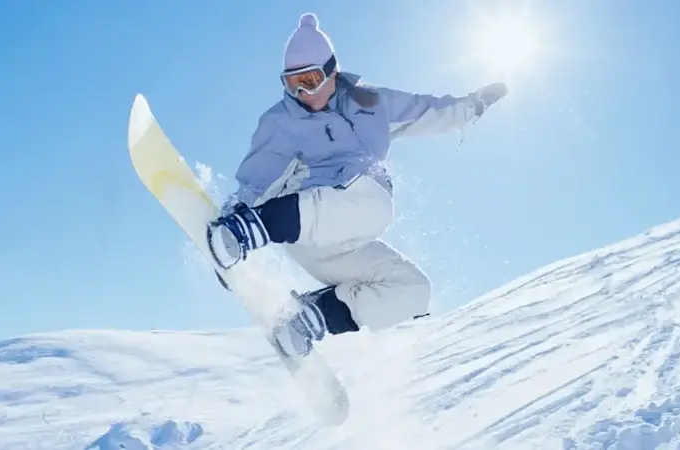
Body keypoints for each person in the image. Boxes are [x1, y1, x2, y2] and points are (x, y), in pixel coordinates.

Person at [207, 12, 508, 358]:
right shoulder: (282, 122)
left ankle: (310, 319)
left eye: (310, 79)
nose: (303, 92)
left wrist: (474, 105)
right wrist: (234, 236)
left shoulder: (373, 104)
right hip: (305, 228)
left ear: (332, 70)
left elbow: (430, 111)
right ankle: (253, 229)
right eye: (293, 84)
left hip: (349, 239)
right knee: (378, 205)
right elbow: (256, 180)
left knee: (413, 290)